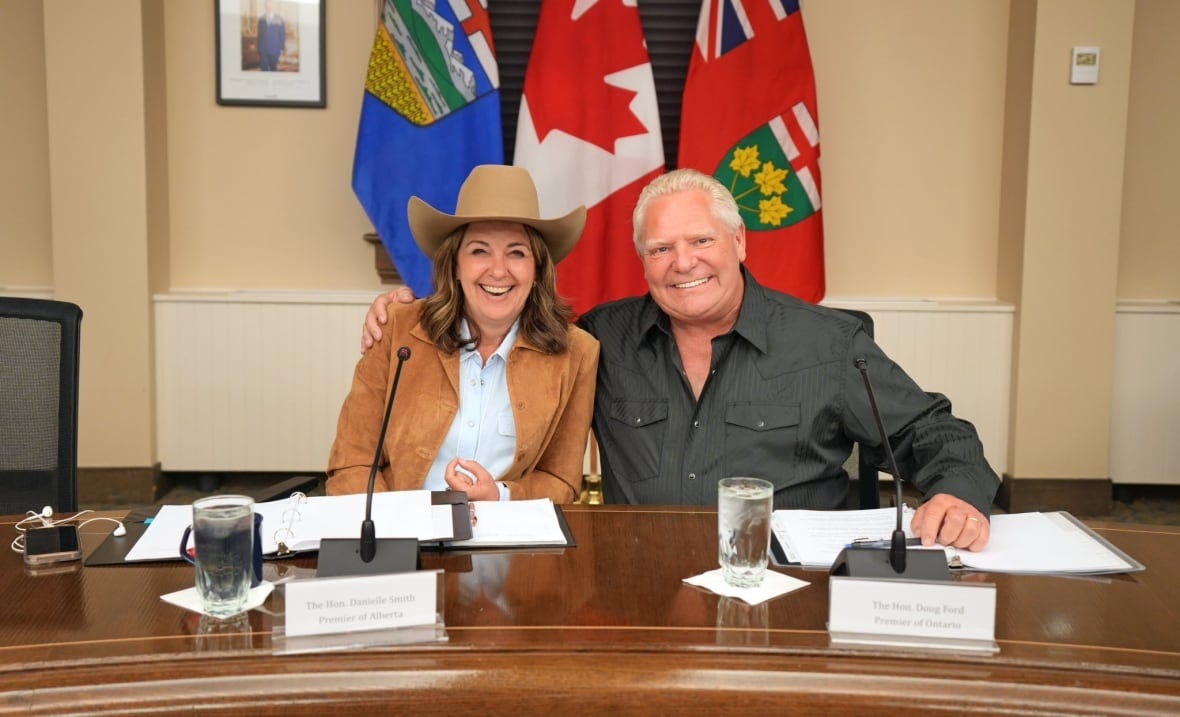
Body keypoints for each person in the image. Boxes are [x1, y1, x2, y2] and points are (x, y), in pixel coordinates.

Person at [362, 169, 998, 549]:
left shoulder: (828, 346)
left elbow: (936, 434)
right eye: (661, 249)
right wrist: (406, 309)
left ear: (739, 242)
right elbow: (499, 314)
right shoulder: (596, 341)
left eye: (700, 240)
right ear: (643, 262)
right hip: (640, 589)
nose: (683, 262)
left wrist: (959, 496)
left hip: (786, 589)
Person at [327, 165, 599, 504]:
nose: (498, 270)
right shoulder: (397, 329)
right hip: (402, 540)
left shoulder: (577, 353)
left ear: (537, 269)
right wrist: (394, 531)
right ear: (454, 265)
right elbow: (351, 462)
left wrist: (498, 497)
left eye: (516, 252)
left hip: (507, 540)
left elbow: (562, 480)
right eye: (479, 251)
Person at [256, 0, 285, 72]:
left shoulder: (279, 19)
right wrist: (259, 48)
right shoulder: (261, 19)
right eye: (267, 5)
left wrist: (281, 48)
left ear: (273, 6)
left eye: (271, 5)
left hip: (275, 49)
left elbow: (282, 34)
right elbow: (259, 35)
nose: (269, 7)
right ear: (265, 6)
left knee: (273, 69)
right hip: (263, 49)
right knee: (264, 69)